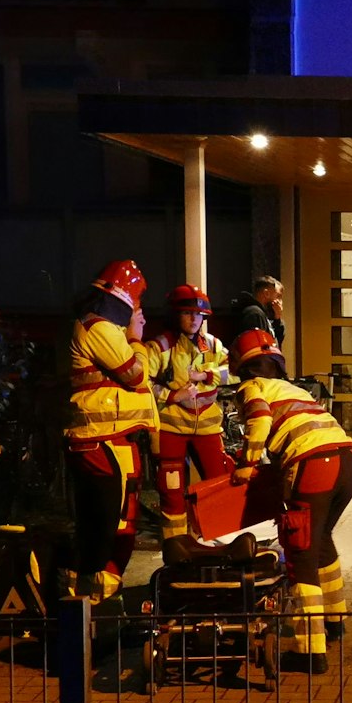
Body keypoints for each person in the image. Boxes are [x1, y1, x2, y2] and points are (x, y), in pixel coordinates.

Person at [229, 328, 352, 666]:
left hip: (314, 463)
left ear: (241, 366)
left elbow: (259, 421)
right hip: (347, 461)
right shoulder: (291, 387)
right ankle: (335, 620)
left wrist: (246, 463)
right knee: (321, 541)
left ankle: (310, 650)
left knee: (300, 550)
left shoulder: (251, 387)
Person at [65, 259, 159, 604]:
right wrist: (136, 339)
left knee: (112, 523)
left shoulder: (103, 330)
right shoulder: (101, 329)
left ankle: (97, 601)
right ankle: (93, 606)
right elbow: (136, 375)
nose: (139, 312)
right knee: (108, 524)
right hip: (102, 441)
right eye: (137, 304)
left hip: (112, 439)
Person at [143, 284, 233, 559]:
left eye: (198, 314)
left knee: (218, 485)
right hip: (171, 427)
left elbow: (234, 372)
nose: (194, 319)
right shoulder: (159, 347)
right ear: (175, 315)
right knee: (171, 489)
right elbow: (143, 382)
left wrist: (208, 376)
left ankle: (216, 542)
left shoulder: (215, 345)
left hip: (207, 426)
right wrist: (171, 394)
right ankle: (176, 548)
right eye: (187, 313)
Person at [233, 276, 285, 346]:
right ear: (266, 294)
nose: (279, 302)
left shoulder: (264, 315)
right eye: (278, 296)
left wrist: (277, 318)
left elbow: (276, 342)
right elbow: (258, 348)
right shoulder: (255, 314)